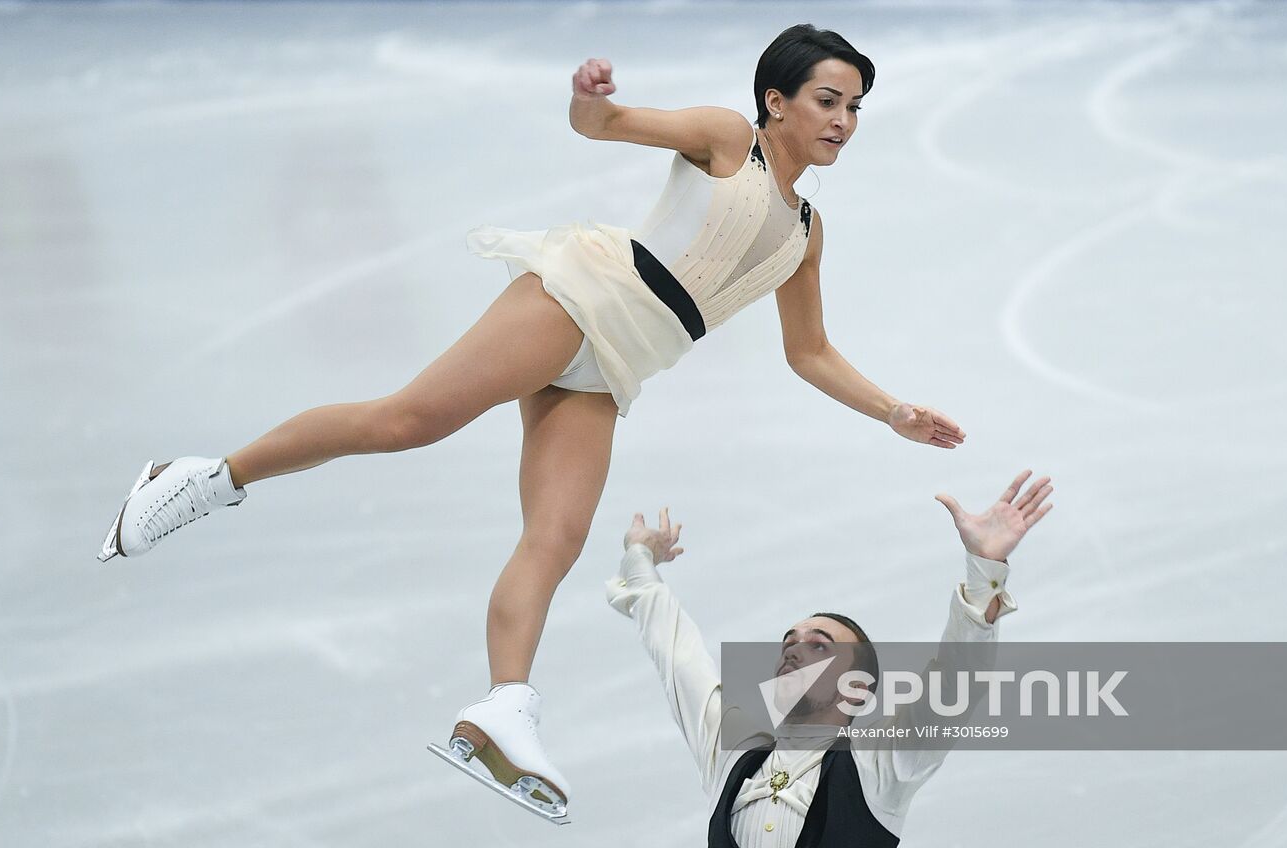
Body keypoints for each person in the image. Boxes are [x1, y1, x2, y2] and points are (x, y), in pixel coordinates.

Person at [95, 24, 966, 821]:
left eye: (855, 106)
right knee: (408, 421)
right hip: (581, 298)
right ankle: (207, 478)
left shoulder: (807, 233)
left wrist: (892, 411)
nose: (844, 120)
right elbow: (606, 125)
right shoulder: (726, 139)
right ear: (776, 101)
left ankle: (503, 709)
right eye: (828, 100)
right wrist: (591, 98)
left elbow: (808, 351)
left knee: (555, 537)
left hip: (620, 363)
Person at [609, 470, 1053, 845]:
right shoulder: (734, 754)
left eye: (819, 645)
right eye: (790, 642)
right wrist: (640, 558)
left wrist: (984, 570)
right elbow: (678, 654)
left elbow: (956, 682)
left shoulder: (880, 764)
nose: (795, 648)